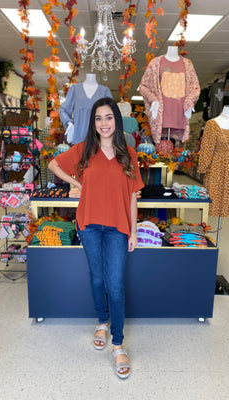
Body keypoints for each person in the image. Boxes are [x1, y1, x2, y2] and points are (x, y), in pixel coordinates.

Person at [49, 97, 144, 379]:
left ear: (117, 120)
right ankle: (101, 322)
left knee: (115, 284)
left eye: (109, 117)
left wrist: (134, 230)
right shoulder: (84, 150)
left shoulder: (129, 154)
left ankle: (117, 343)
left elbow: (132, 196)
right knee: (97, 278)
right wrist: (78, 183)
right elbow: (54, 164)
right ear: (93, 123)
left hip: (117, 227)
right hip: (88, 224)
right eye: (98, 118)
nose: (104, 123)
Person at [139, 46, 200, 145]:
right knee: (162, 150)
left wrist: (189, 101)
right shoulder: (155, 63)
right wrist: (153, 100)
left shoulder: (187, 64)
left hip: (179, 116)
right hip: (161, 118)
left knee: (172, 150)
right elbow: (143, 86)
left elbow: (195, 87)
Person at [59, 74, 112, 144]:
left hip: (98, 139)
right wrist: (69, 123)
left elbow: (111, 114)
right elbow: (63, 110)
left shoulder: (104, 91)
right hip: (78, 137)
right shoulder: (75, 89)